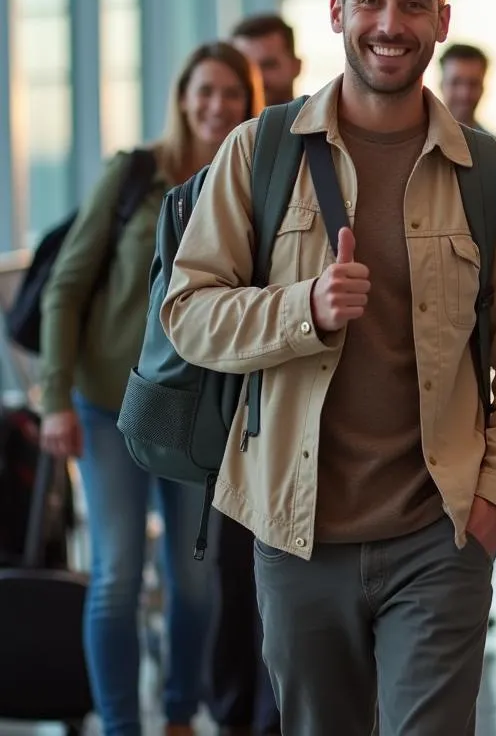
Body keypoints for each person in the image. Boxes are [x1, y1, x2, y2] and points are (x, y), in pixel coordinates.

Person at [159, 0, 496, 736]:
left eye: (414, 4)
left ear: (442, 21)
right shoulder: (258, 151)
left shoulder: (491, 176)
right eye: (371, 0)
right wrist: (300, 308)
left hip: (439, 533)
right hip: (296, 533)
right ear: (338, 11)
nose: (391, 24)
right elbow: (188, 314)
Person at [38, 43, 262, 736]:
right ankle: (118, 726)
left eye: (232, 93)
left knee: (194, 585)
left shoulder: (255, 186)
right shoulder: (136, 174)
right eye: (205, 90)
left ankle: (178, 714)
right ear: (182, 95)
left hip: (197, 411)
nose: (217, 105)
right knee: (117, 578)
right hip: (107, 400)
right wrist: (53, 398)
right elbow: (66, 287)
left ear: (248, 105)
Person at [201, 11, 305, 736]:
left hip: (285, 412)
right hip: (213, 409)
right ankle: (234, 713)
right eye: (244, 68)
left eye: (267, 65)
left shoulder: (308, 160)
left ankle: (268, 716)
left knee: (279, 593)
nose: (255, 81)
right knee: (227, 584)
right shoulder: (184, 173)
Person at [439, 42, 496, 154]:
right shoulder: (415, 145)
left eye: (473, 83)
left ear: (483, 88)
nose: (464, 94)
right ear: (441, 85)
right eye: (456, 82)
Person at [232, 12, 302, 107]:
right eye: (247, 68)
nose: (257, 78)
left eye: (268, 65)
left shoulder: (319, 121)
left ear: (296, 67)